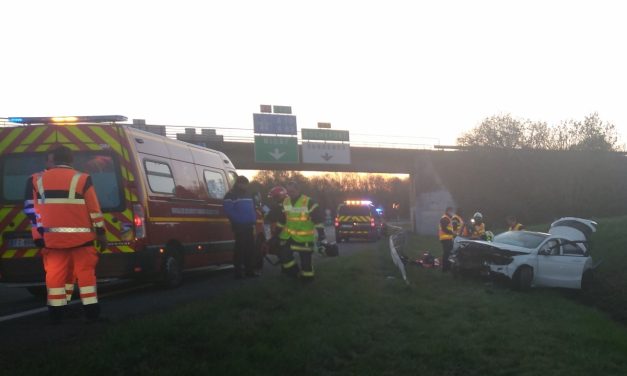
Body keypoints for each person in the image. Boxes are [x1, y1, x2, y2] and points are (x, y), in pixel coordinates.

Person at [30, 146, 107, 323]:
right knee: (86, 276)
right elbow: (94, 210)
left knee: (55, 278)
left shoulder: (36, 180)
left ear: (53, 159)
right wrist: (101, 234)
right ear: (71, 160)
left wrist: (38, 237)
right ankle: (92, 314)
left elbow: (35, 213)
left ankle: (56, 315)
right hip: (82, 241)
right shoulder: (82, 179)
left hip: (52, 241)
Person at [276, 181, 326, 282]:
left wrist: (321, 234)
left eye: (292, 191)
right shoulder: (285, 202)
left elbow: (318, 219)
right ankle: (294, 274)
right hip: (288, 237)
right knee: (284, 256)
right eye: (288, 191)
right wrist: (276, 233)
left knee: (306, 263)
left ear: (298, 190)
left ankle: (307, 280)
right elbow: (282, 219)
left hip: (304, 239)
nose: (290, 193)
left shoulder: (308, 202)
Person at [223, 176, 258, 279]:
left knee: (249, 249)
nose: (246, 186)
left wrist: (253, 219)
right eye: (244, 184)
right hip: (239, 226)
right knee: (240, 249)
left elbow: (252, 208)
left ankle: (249, 271)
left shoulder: (248, 194)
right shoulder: (230, 195)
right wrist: (239, 220)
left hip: (249, 225)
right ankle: (238, 273)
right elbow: (229, 210)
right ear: (239, 183)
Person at [439, 206, 456, 272]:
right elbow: (444, 228)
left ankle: (448, 267)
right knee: (446, 253)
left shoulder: (448, 218)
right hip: (445, 238)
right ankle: (445, 269)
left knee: (449, 253)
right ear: (448, 211)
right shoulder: (445, 218)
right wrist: (452, 233)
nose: (452, 213)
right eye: (451, 211)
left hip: (448, 238)